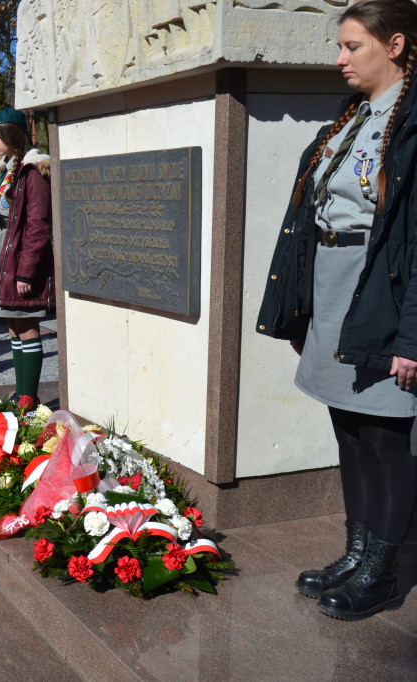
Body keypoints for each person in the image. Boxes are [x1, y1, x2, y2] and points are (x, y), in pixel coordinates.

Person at [257, 0, 417, 622]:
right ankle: (356, 553)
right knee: (348, 430)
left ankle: (382, 570)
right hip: (333, 289)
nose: (339, 58)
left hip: (380, 290)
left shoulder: (409, 125)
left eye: (352, 46)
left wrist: (412, 336)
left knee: (384, 436)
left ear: (396, 44)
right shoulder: (353, 120)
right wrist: (301, 309)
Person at [0, 108, 52, 403]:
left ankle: (29, 397)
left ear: (10, 135)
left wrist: (26, 271)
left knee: (26, 325)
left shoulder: (33, 172)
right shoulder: (1, 171)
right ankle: (21, 392)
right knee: (13, 327)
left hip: (18, 258)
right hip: (2, 256)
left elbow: (38, 227)